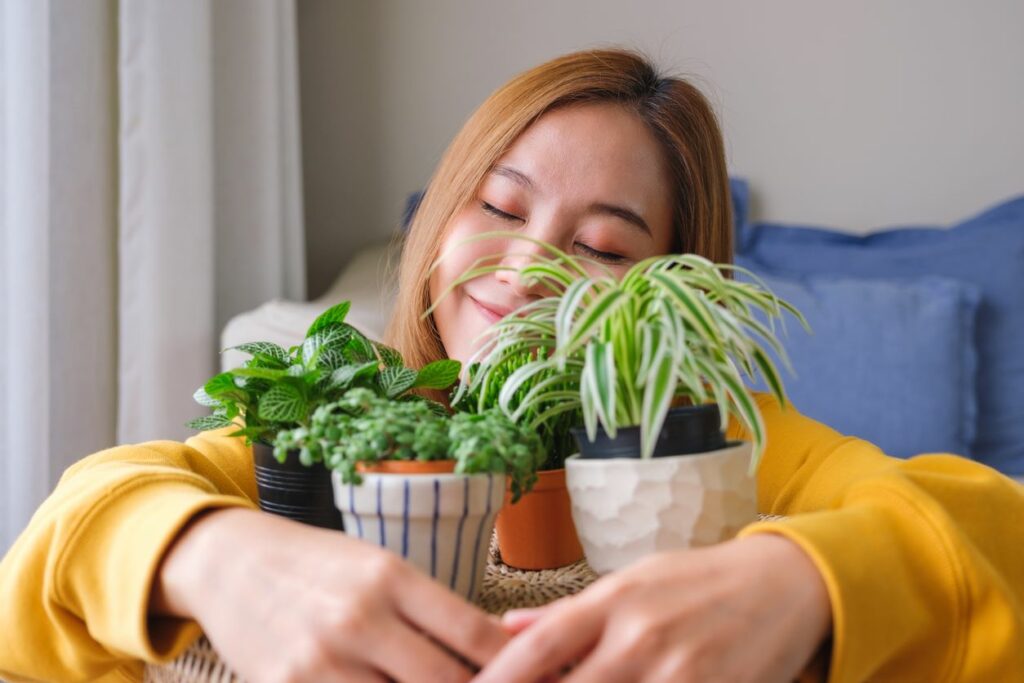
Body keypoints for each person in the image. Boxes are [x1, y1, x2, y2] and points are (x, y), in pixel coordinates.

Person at [1, 48, 1021, 683]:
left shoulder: (724, 444)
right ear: (442, 219)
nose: (530, 263)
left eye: (607, 246)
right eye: (499, 205)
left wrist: (801, 578)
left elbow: (992, 527)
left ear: (673, 287)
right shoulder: (363, 413)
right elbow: (68, 539)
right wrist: (213, 553)